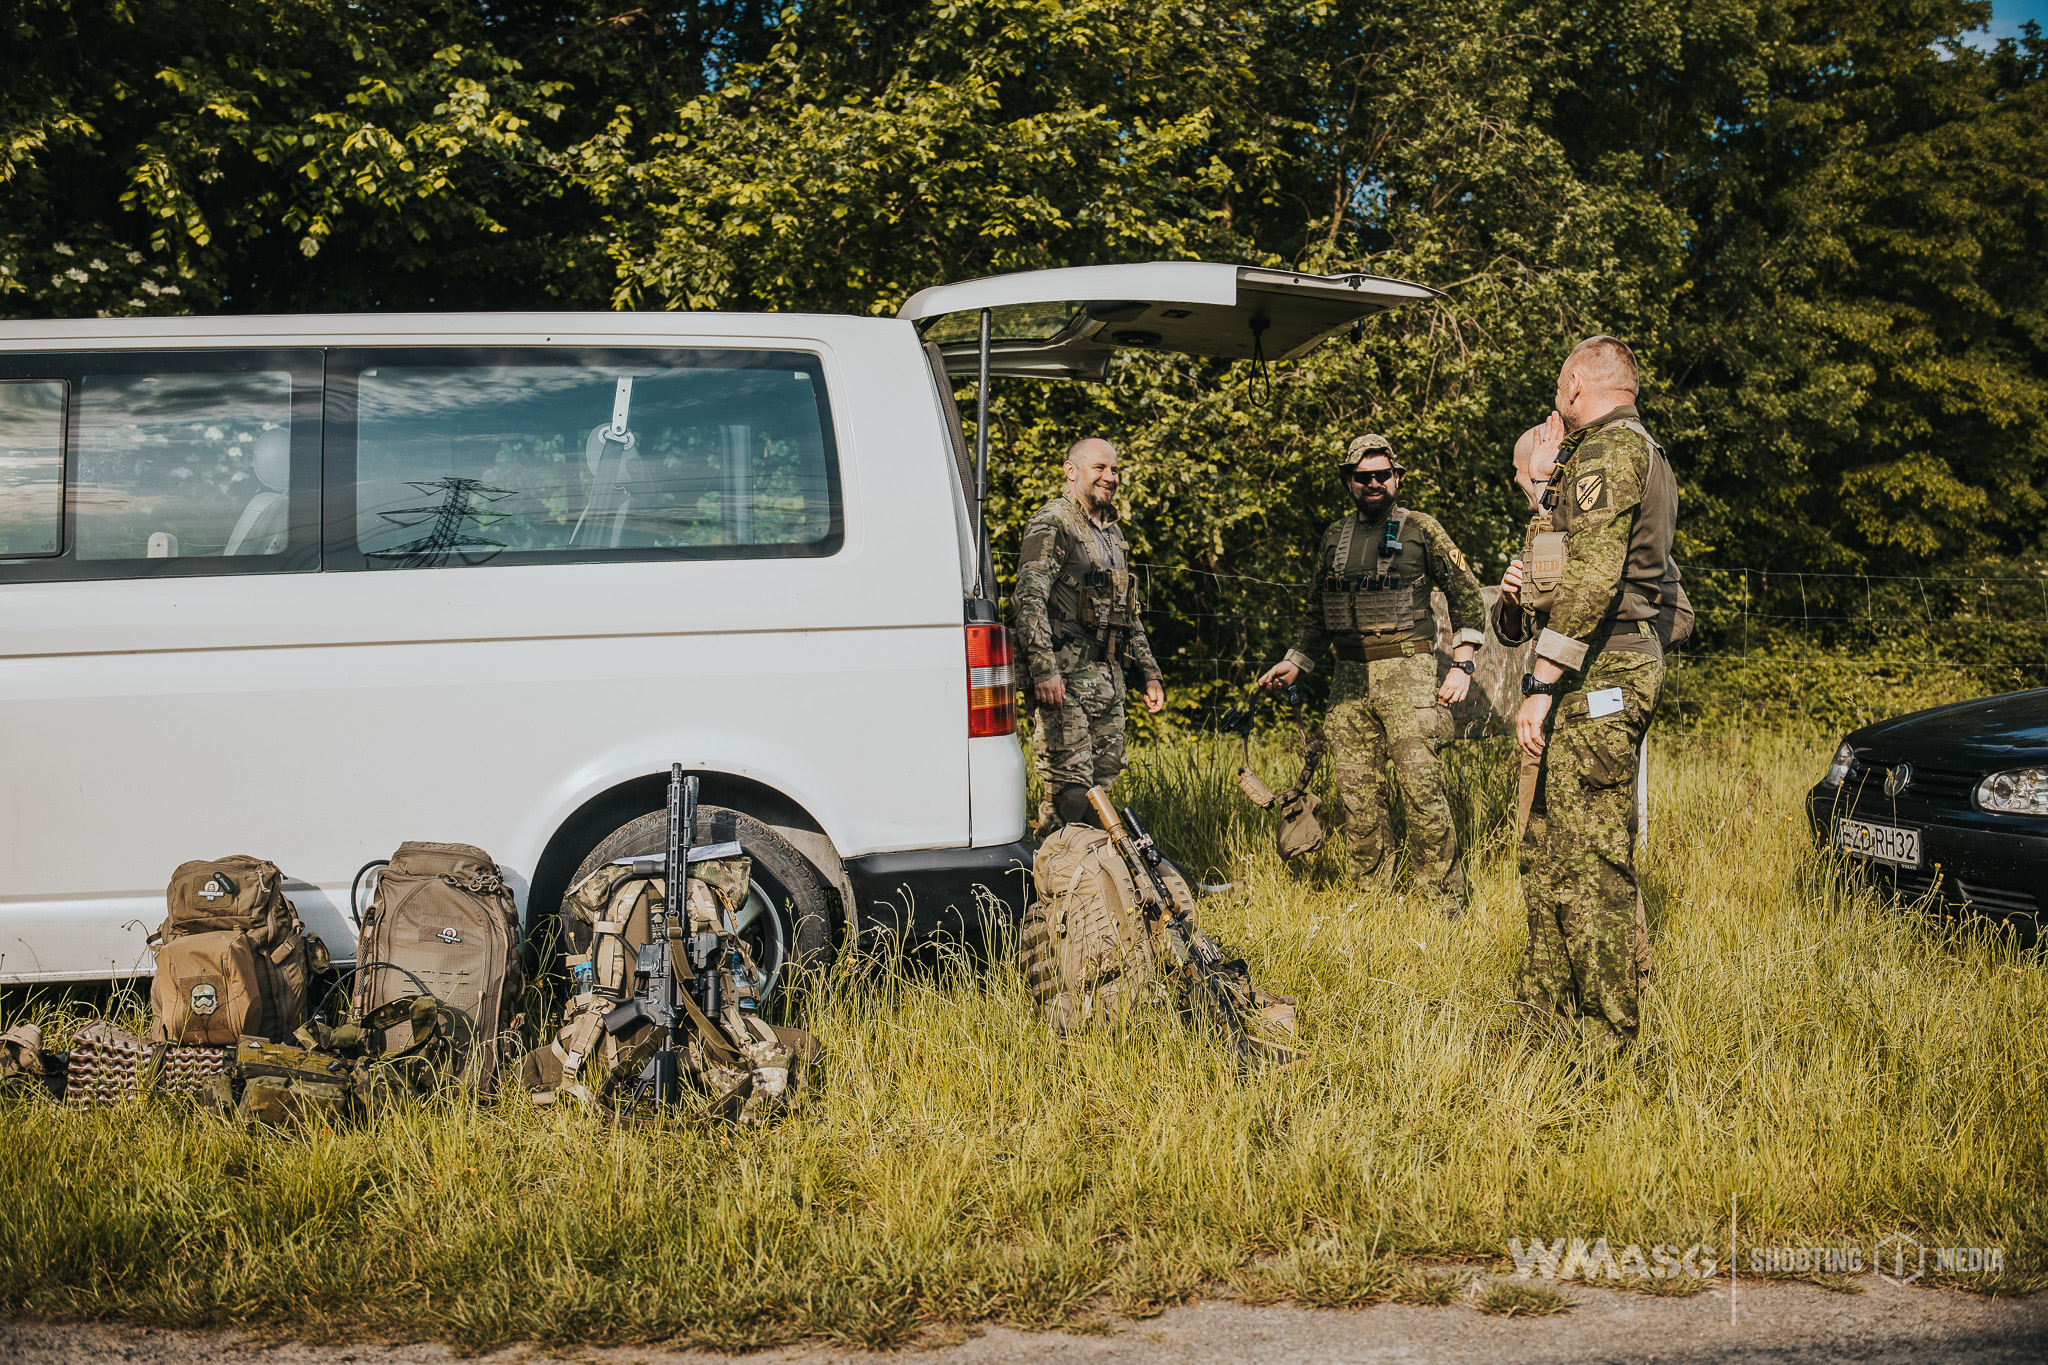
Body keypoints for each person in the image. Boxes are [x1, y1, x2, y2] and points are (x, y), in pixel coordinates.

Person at [1494, 335, 1677, 1051]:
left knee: (1593, 858)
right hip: (1586, 670)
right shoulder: (1615, 452)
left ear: (1576, 386)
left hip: (1602, 674)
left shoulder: (1611, 449)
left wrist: (1540, 682)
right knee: (1547, 844)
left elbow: (1596, 578)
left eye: (1557, 390)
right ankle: (1543, 1014)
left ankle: (1608, 1038)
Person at [1256, 434, 1485, 914]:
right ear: (1349, 481)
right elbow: (1318, 611)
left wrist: (1463, 662)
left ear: (1398, 478)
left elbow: (1465, 592)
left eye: (1383, 474)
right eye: (1364, 477)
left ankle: (1445, 907)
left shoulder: (1421, 529)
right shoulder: (1334, 538)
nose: (1374, 482)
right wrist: (1295, 661)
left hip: (1410, 673)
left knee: (1423, 793)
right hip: (1348, 680)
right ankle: (1371, 902)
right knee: (1357, 799)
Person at [1012, 437, 1167, 830]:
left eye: (1114, 470)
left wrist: (1150, 673)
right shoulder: (1053, 522)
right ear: (1071, 470)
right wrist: (1044, 669)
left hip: (1108, 679)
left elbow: (1127, 610)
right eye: (1100, 468)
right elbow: (1028, 597)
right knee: (1069, 792)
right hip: (1065, 681)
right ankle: (1049, 880)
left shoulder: (1112, 533)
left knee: (1101, 791)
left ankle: (1093, 884)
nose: (1110, 477)